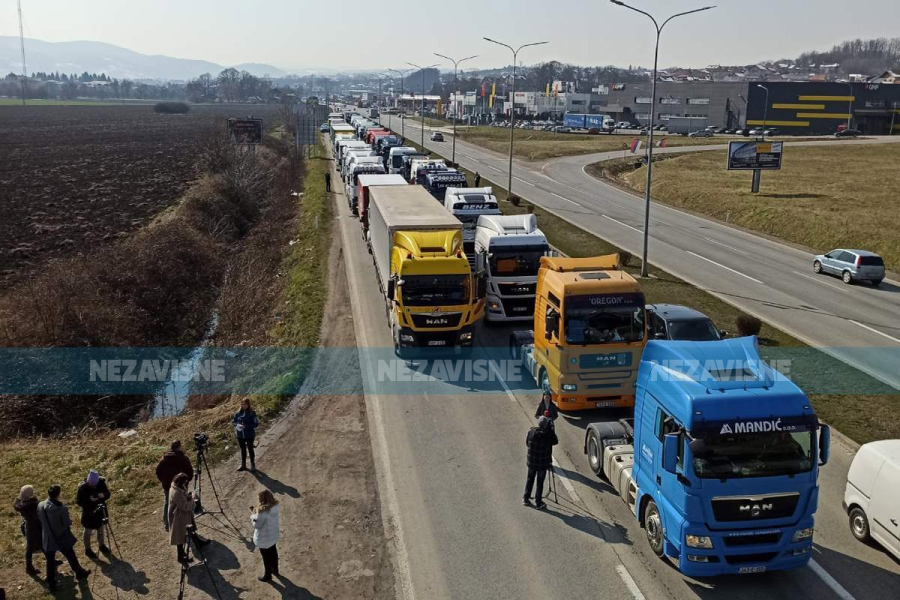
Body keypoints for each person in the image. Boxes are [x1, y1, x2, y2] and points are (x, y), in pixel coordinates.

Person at [37, 485, 90, 592]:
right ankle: (79, 572)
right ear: (58, 494)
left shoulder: (41, 505)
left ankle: (51, 584)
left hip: (47, 537)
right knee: (70, 555)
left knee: (50, 561)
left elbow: (40, 519)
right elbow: (66, 523)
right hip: (61, 536)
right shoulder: (61, 508)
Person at [156, 440, 194, 532]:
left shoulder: (164, 459)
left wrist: (164, 482)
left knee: (167, 503)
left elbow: (158, 472)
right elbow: (190, 472)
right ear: (179, 447)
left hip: (167, 486)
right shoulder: (183, 458)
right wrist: (186, 481)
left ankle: (167, 524)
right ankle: (185, 524)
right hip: (180, 486)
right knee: (182, 504)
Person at [523, 416, 558, 510]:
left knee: (530, 479)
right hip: (542, 463)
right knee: (540, 482)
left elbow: (527, 444)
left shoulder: (531, 432)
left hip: (531, 462)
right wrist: (552, 430)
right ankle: (538, 502)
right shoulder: (547, 436)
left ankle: (526, 498)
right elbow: (555, 441)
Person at [75, 470, 111, 559]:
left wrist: (103, 495)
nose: (94, 486)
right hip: (88, 514)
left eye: (95, 484)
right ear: (88, 481)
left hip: (100, 512)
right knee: (87, 532)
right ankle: (88, 549)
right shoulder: (82, 488)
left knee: (101, 529)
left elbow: (108, 494)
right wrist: (89, 500)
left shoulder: (101, 483)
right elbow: (79, 502)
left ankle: (102, 545)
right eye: (92, 485)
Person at [251, 489, 281, 582]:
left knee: (266, 558)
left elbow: (257, 525)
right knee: (273, 553)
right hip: (273, 536)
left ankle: (267, 576)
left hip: (264, 539)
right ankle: (275, 570)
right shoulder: (275, 506)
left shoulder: (262, 511)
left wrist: (253, 516)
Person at [13, 485, 43, 576]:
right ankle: (29, 567)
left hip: (28, 525)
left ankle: (29, 566)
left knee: (37, 544)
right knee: (32, 546)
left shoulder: (19, 502)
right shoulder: (31, 504)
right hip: (33, 526)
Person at [168, 473, 195, 565]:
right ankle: (181, 557)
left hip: (180, 517)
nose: (185, 484)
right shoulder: (176, 492)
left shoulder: (176, 487)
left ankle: (182, 554)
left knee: (181, 537)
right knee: (180, 537)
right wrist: (193, 499)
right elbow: (185, 506)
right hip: (178, 518)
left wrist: (188, 496)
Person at [233, 397, 260, 472]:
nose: (243, 406)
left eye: (245, 404)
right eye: (242, 404)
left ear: (248, 404)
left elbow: (255, 424)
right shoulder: (238, 413)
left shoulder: (252, 413)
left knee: (250, 449)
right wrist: (236, 425)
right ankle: (243, 464)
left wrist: (246, 426)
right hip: (240, 435)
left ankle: (252, 464)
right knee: (243, 449)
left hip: (249, 435)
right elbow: (233, 421)